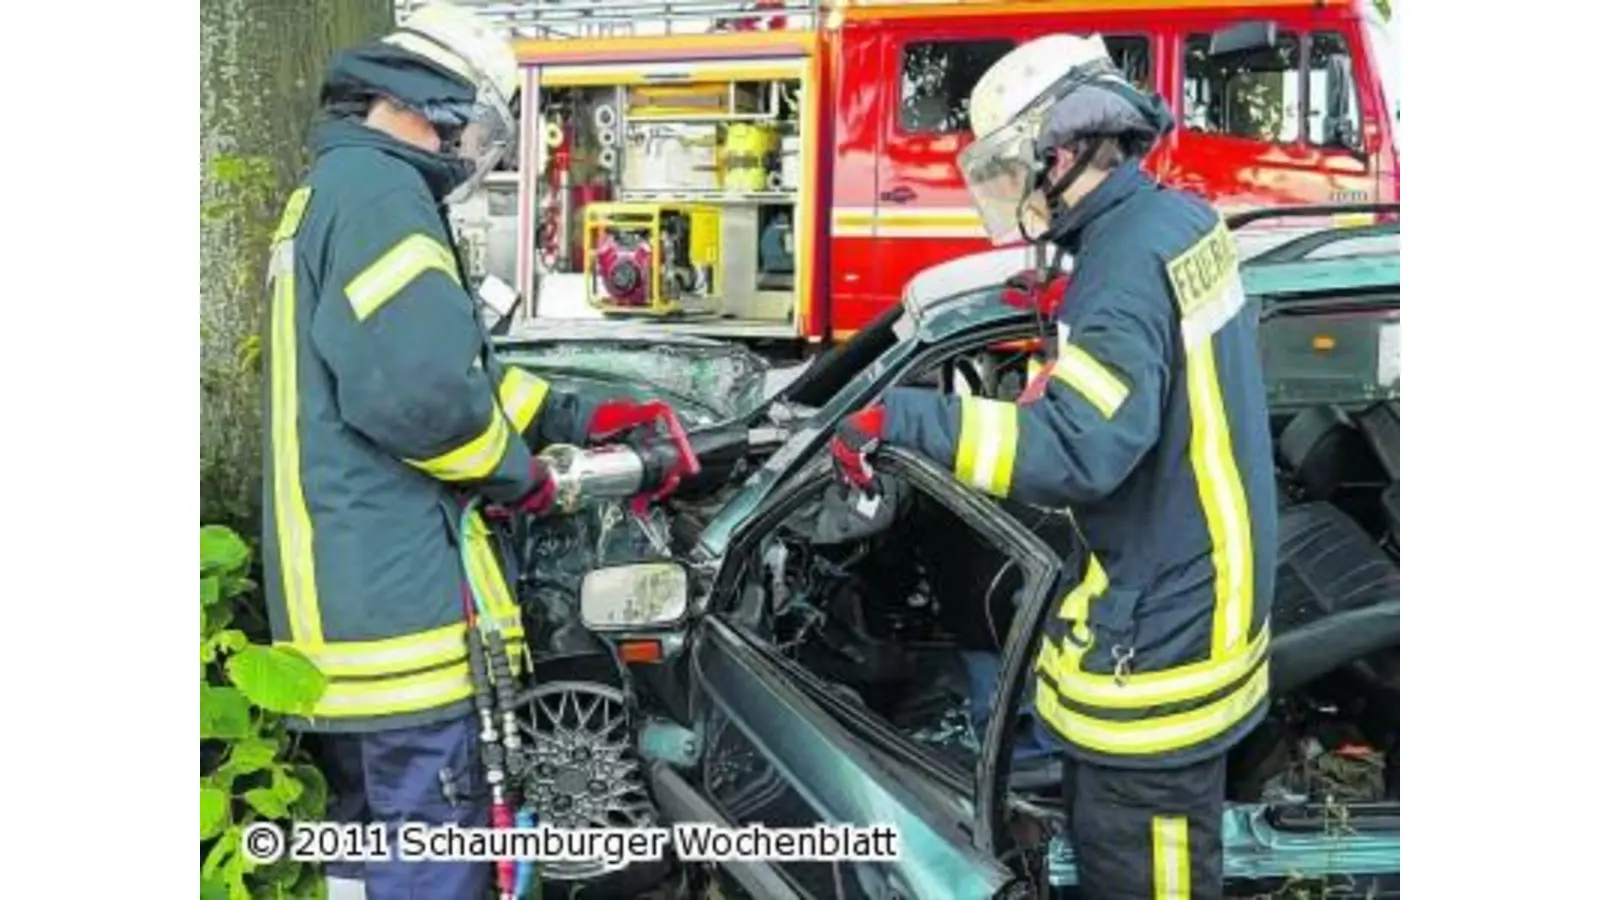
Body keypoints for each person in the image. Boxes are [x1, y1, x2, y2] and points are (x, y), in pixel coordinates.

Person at [827, 33, 1278, 900]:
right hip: (1207, 594)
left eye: (1013, 170)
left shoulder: (1122, 269)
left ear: (1061, 154)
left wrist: (908, 417)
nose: (1016, 194)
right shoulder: (1177, 221)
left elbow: (1078, 449)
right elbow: (1161, 365)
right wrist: (1071, 311)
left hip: (1160, 658)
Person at [258, 4, 683, 897]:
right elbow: (425, 401)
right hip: (402, 628)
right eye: (473, 130)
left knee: (367, 860)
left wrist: (575, 418)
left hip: (351, 618)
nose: (469, 152)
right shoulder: (383, 198)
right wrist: (526, 479)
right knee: (435, 860)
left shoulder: (339, 189)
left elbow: (449, 372)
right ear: (428, 105)